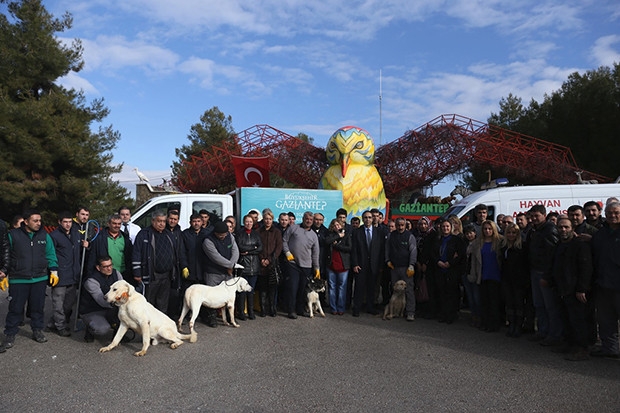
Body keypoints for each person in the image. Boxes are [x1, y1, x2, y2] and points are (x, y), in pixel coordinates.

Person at [1, 210, 58, 350]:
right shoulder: (13, 235)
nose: (39, 223)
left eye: (40, 220)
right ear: (26, 221)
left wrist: (54, 270)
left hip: (39, 278)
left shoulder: (45, 235)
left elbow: (50, 253)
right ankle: (10, 334)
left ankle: (37, 330)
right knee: (15, 309)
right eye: (35, 220)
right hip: (19, 279)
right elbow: (5, 254)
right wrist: (4, 271)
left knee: (37, 308)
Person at [551, 217, 593, 361]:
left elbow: (586, 268)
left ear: (572, 229)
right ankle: (570, 344)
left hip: (576, 290)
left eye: (566, 227)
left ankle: (582, 349)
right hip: (562, 289)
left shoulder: (580, 245)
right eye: (560, 227)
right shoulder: (559, 245)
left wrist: (582, 289)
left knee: (578, 320)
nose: (563, 230)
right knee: (566, 318)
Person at [527, 204, 562, 346]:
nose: (534, 218)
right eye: (532, 216)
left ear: (544, 215)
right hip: (534, 271)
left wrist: (547, 276)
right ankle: (543, 331)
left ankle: (554, 335)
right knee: (539, 305)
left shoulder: (549, 230)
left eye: (537, 216)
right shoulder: (534, 230)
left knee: (550, 307)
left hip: (544, 273)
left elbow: (552, 255)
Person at [132, 210, 179, 315]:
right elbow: (136, 253)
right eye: (159, 221)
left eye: (163, 221)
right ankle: (148, 326)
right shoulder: (144, 234)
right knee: (149, 302)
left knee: (163, 303)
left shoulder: (168, 234)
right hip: (151, 274)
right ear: (153, 221)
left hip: (167, 275)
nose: (162, 224)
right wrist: (137, 272)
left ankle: (161, 327)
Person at [590, 201, 620, 358]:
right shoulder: (600, 233)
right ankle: (610, 349)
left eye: (616, 213)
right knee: (606, 320)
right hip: (603, 284)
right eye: (609, 214)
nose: (613, 216)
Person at [46, 211, 82, 337]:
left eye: (70, 222)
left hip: (73, 275)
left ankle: (52, 323)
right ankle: (60, 326)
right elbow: (49, 254)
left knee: (68, 304)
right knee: (58, 304)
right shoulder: (54, 236)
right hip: (60, 275)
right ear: (59, 222)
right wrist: (53, 271)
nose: (68, 225)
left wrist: (86, 246)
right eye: (65, 222)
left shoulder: (76, 234)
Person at [427, 218, 466, 324]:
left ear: (451, 227)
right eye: (443, 226)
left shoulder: (456, 240)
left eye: (447, 226)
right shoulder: (437, 239)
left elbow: (461, 254)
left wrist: (450, 263)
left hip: (452, 270)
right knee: (442, 293)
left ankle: (451, 315)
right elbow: (433, 253)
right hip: (439, 269)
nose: (445, 228)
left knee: (452, 293)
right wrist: (438, 261)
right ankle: (443, 314)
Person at [282, 211, 320, 319]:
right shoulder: (293, 228)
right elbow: (284, 240)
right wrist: (287, 252)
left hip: (306, 266)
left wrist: (316, 268)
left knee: (303, 289)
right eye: (307, 218)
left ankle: (300, 309)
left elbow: (316, 253)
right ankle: (291, 310)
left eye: (311, 220)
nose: (308, 221)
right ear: (303, 218)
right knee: (293, 288)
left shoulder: (314, 235)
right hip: (293, 264)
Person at [202, 221, 239, 326]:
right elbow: (215, 257)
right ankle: (211, 317)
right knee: (211, 296)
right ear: (215, 233)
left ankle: (229, 317)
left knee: (227, 295)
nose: (223, 236)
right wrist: (229, 266)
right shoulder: (208, 241)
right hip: (213, 272)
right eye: (220, 235)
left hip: (228, 272)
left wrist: (232, 265)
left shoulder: (230, 236)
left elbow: (235, 250)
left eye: (225, 234)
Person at [79, 255, 124, 342]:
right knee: (102, 329)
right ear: (98, 268)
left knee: (129, 318)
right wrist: (119, 302)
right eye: (106, 266)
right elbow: (102, 300)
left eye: (110, 265)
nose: (109, 268)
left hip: (111, 308)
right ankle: (90, 329)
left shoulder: (116, 273)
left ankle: (117, 334)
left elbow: (123, 289)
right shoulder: (91, 281)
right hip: (92, 311)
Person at [469, 220, 503, 332]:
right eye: (485, 229)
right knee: (484, 301)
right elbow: (473, 259)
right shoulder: (478, 243)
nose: (487, 231)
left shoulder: (500, 241)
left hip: (496, 275)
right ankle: (485, 322)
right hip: (483, 275)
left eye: (489, 228)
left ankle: (495, 324)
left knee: (494, 302)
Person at [351, 210, 386, 316]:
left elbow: (381, 250)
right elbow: (354, 250)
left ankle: (370, 307)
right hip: (361, 265)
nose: (368, 219)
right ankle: (356, 308)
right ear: (363, 219)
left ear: (373, 219)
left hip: (374, 265)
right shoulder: (357, 232)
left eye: (370, 217)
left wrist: (380, 265)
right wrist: (355, 264)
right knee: (359, 287)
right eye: (365, 217)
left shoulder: (379, 232)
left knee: (372, 288)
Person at [385, 217, 417, 321]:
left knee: (408, 290)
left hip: (406, 268)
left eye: (402, 225)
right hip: (394, 267)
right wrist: (387, 260)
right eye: (398, 225)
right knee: (395, 291)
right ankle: (394, 311)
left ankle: (410, 312)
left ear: (405, 225)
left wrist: (411, 265)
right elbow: (387, 249)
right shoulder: (391, 236)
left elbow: (413, 251)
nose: (400, 227)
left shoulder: (410, 236)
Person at [179, 213, 209, 323]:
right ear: (190, 222)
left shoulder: (207, 234)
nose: (196, 223)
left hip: (203, 269)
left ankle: (204, 316)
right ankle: (186, 315)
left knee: (204, 294)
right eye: (194, 221)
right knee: (187, 294)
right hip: (190, 269)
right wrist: (184, 266)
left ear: (202, 222)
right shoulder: (185, 234)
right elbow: (181, 252)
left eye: (198, 221)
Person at [500, 223, 529, 338]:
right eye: (509, 232)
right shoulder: (504, 247)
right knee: (510, 303)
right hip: (507, 280)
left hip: (519, 281)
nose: (511, 235)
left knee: (519, 304)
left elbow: (526, 264)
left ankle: (518, 326)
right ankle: (512, 324)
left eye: (514, 232)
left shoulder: (522, 247)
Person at [87, 214, 133, 282]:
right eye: (114, 223)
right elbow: (92, 257)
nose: (117, 226)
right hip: (105, 275)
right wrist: (89, 275)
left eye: (119, 224)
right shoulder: (100, 238)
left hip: (123, 274)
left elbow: (130, 257)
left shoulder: (126, 239)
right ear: (108, 224)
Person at [235, 214, 263, 320]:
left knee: (251, 290)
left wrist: (248, 251)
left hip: (254, 266)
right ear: (243, 222)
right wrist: (253, 248)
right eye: (247, 221)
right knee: (242, 291)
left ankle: (251, 312)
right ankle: (241, 312)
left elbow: (260, 248)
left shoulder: (256, 234)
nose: (249, 223)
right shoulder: (239, 234)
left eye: (251, 222)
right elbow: (240, 247)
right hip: (243, 266)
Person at [258, 209, 283, 317]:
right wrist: (261, 259)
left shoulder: (277, 232)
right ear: (263, 220)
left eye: (270, 219)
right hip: (261, 264)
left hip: (272, 264)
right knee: (262, 288)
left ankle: (272, 308)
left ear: (272, 220)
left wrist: (270, 259)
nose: (268, 221)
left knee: (272, 288)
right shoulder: (259, 231)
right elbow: (257, 246)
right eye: (266, 219)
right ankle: (263, 309)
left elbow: (279, 247)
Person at [325, 218, 352, 315]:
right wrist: (337, 236)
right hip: (331, 264)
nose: (337, 227)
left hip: (343, 265)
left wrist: (337, 246)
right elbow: (327, 241)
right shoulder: (330, 235)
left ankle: (341, 307)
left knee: (342, 287)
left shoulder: (347, 235)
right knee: (332, 287)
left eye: (338, 225)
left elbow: (349, 248)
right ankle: (333, 308)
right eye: (335, 225)